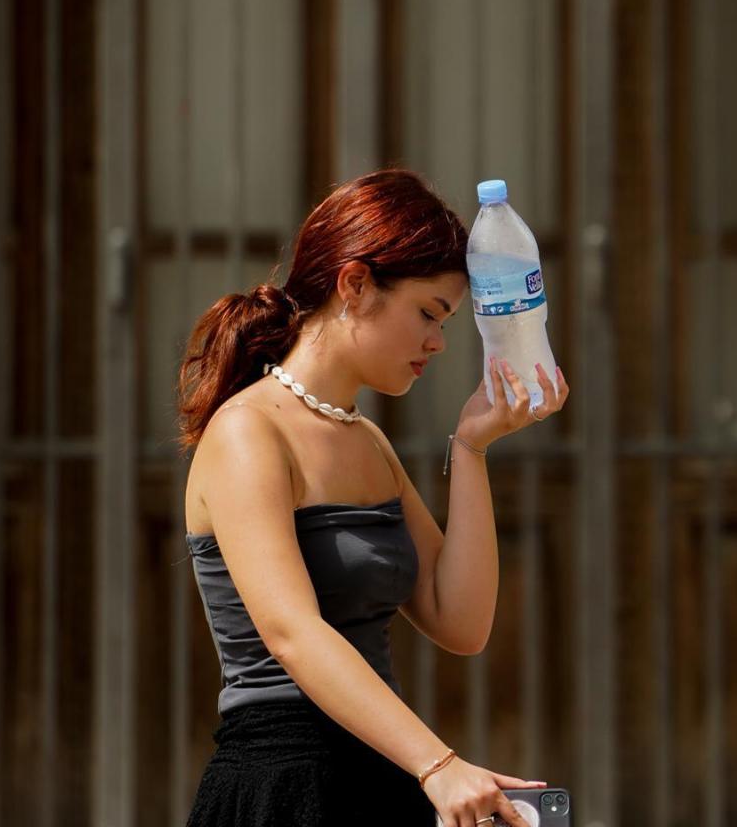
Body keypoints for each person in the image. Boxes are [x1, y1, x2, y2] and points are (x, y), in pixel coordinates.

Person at [175, 169, 567, 827]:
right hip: (282, 785)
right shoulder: (248, 431)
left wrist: (473, 447)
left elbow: (460, 622)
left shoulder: (368, 443)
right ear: (355, 285)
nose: (439, 342)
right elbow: (291, 633)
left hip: (383, 775)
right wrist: (439, 765)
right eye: (428, 314)